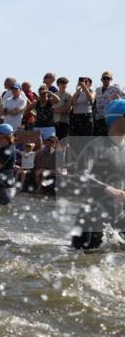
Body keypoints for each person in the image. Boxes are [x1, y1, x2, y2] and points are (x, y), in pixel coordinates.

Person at [69, 99, 125, 250]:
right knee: (82, 264)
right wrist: (107, 188)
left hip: (119, 215)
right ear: (116, 119)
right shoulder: (95, 146)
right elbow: (80, 174)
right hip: (92, 217)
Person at [94, 70, 123, 137]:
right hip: (98, 118)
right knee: (99, 138)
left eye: (108, 78)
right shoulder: (97, 90)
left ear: (111, 79)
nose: (106, 80)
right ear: (101, 80)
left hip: (109, 117)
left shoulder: (115, 88)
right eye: (104, 78)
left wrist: (119, 99)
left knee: (108, 138)